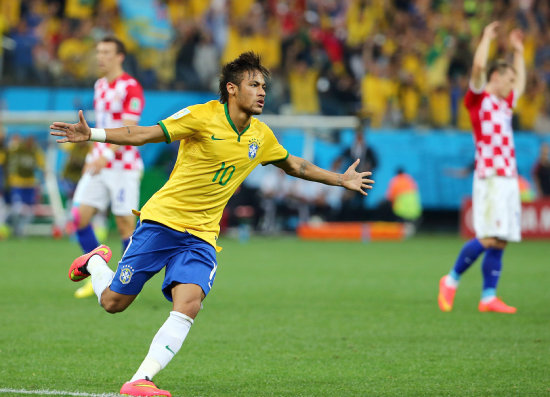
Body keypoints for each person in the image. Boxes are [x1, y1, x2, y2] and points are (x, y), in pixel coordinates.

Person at [50, 52, 374, 397]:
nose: (262, 92)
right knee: (114, 302)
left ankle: (140, 379)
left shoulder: (260, 136)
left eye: (264, 85)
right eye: (254, 84)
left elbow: (296, 166)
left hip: (202, 236)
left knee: (190, 303)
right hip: (162, 222)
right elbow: (143, 134)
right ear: (232, 89)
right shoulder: (202, 116)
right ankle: (95, 261)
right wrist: (94, 135)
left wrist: (340, 180)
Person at [438, 22, 526, 314]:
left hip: (508, 177)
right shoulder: (478, 100)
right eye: (509, 80)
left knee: (501, 240)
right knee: (488, 235)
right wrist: (487, 37)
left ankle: (488, 297)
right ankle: (450, 279)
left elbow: (522, 85)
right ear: (497, 76)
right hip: (489, 177)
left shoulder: (504, 103)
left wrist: (519, 52)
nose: (513, 86)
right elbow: (477, 67)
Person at [71, 36, 145, 299]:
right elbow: (98, 126)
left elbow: (129, 130)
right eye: (98, 51)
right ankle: (96, 273)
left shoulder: (131, 87)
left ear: (119, 57)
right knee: (79, 216)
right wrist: (94, 155)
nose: (100, 57)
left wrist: (106, 154)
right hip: (100, 164)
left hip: (123, 166)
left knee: (126, 225)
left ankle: (125, 285)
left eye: (106, 52)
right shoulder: (99, 85)